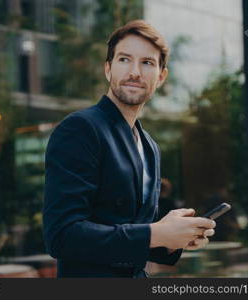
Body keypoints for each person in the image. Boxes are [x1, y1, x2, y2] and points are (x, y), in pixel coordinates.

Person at [42, 20, 216, 278]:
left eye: (147, 63)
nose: (135, 72)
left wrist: (174, 238)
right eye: (125, 60)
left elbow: (133, 234)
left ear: (161, 77)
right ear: (108, 69)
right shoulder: (81, 128)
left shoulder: (149, 146)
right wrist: (156, 233)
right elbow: (62, 236)